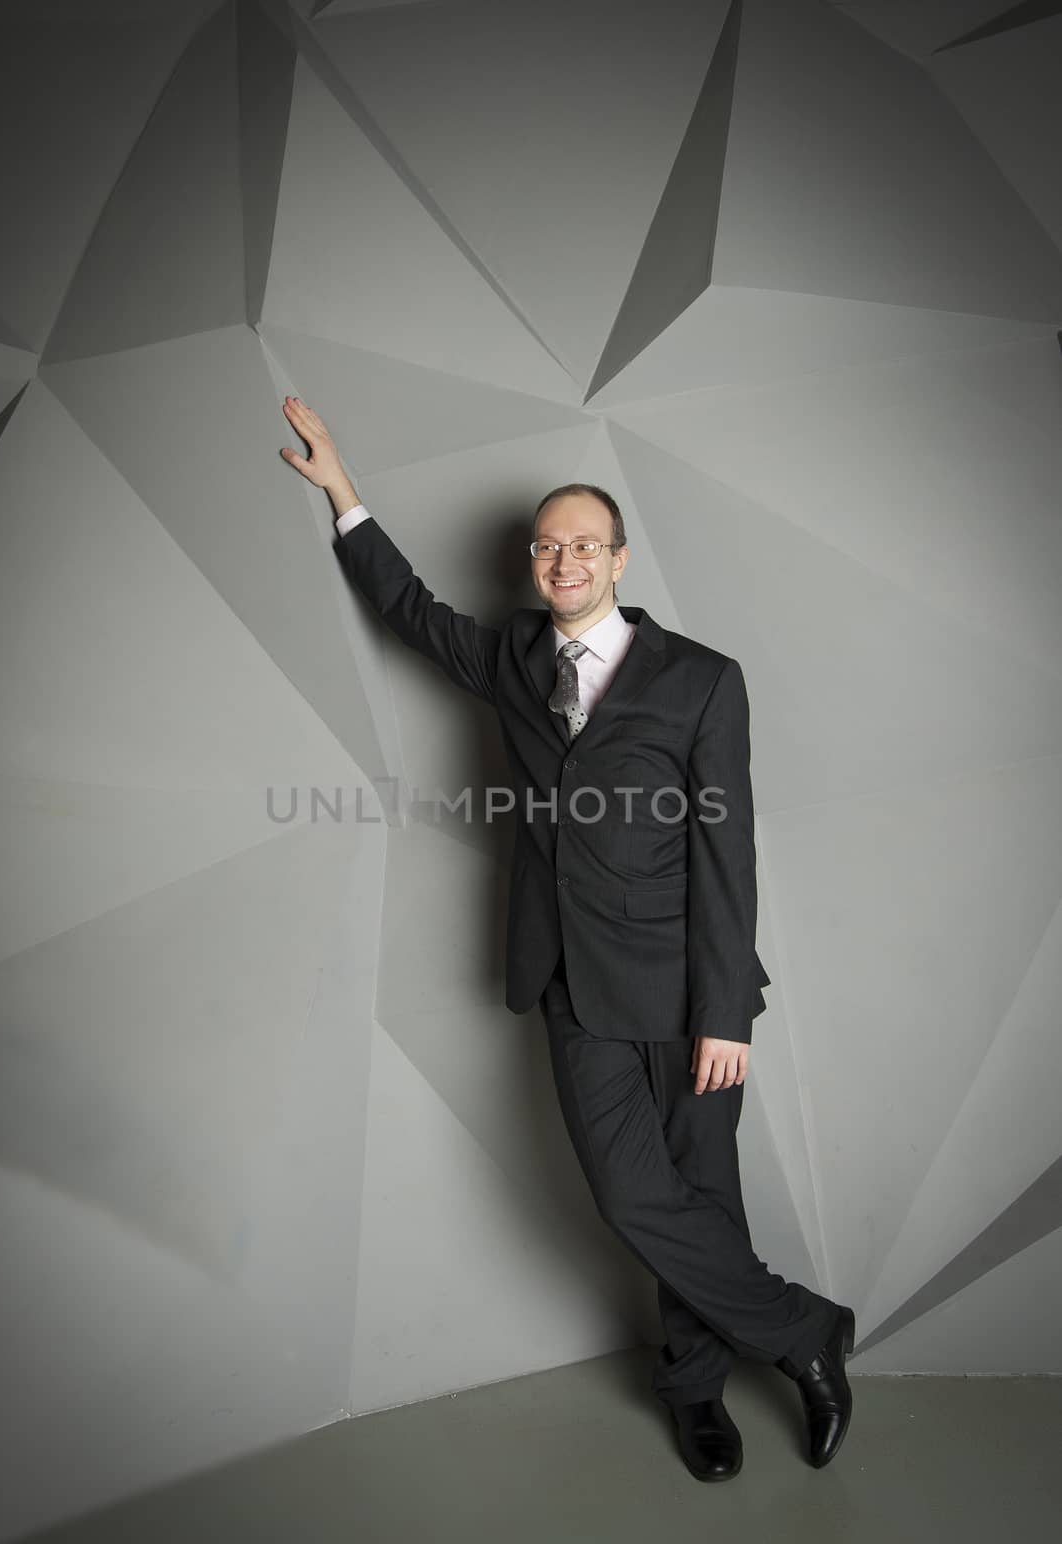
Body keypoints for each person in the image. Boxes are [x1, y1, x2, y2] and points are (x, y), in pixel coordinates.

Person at [279, 396, 855, 1483]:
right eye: (547, 545)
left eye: (583, 542)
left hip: (690, 991)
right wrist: (342, 493)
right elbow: (408, 609)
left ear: (619, 559)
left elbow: (725, 857)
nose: (563, 559)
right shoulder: (510, 664)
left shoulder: (700, 680)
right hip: (569, 985)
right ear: (534, 563)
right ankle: (802, 1331)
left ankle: (693, 1393)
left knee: (702, 1196)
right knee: (638, 1198)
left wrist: (725, 1011)